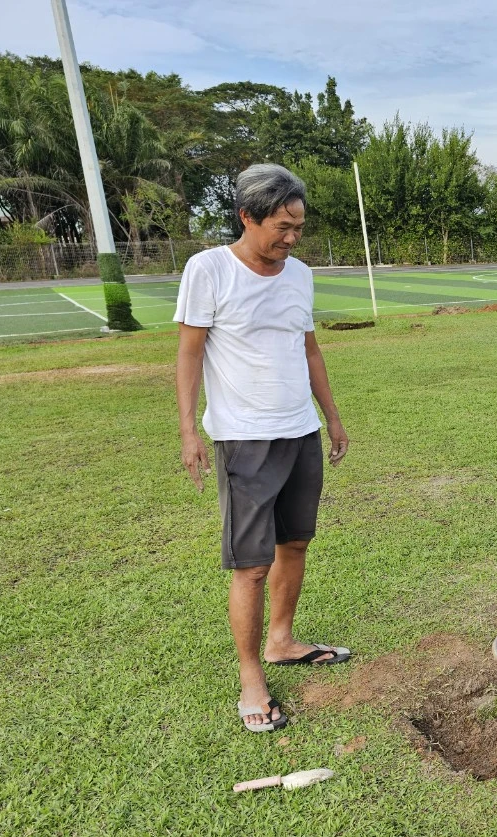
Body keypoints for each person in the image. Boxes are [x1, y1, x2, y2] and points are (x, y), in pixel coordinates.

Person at [176, 163, 352, 733]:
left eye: (299, 226)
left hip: (299, 431)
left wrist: (332, 420)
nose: (292, 237)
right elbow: (189, 354)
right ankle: (252, 677)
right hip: (243, 438)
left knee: (295, 543)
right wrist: (188, 430)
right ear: (247, 217)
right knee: (250, 565)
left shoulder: (298, 275)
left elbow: (311, 352)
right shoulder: (208, 270)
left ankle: (281, 641)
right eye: (282, 226)